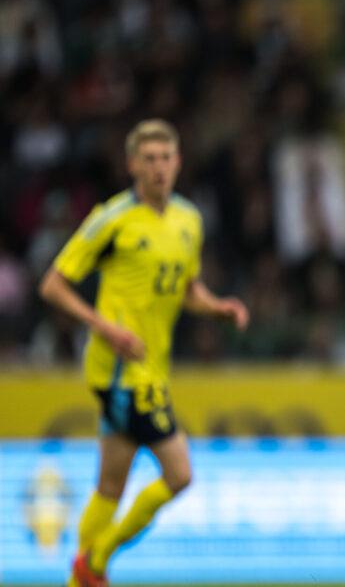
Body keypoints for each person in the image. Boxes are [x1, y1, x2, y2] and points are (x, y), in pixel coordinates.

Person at [39, 119, 249, 587]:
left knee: (111, 484)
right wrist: (104, 328)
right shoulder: (111, 218)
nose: (158, 168)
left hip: (151, 366)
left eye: (166, 158)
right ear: (133, 164)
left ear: (178, 162)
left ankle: (82, 575)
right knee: (179, 474)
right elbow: (53, 285)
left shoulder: (189, 220)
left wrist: (217, 307)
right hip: (121, 372)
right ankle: (96, 561)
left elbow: (185, 288)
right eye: (148, 159)